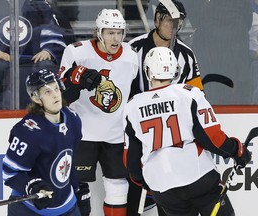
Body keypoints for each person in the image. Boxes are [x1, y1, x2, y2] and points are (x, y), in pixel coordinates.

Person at [123, 47, 252, 216]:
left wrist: (146, 181)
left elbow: (130, 159)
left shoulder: (132, 105)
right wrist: (236, 150)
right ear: (175, 70)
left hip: (162, 186)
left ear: (148, 71)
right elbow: (212, 138)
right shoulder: (189, 94)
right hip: (197, 177)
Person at [58, 8, 140, 216]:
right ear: (99, 32)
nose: (115, 38)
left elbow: (136, 97)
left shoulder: (131, 56)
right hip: (83, 134)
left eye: (119, 32)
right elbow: (61, 96)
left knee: (118, 189)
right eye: (110, 32)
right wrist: (77, 79)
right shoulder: (76, 52)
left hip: (116, 135)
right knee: (75, 186)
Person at [127, 1, 203, 215]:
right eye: (169, 19)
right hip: (144, 131)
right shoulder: (134, 48)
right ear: (157, 19)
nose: (174, 26)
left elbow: (197, 95)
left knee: (171, 190)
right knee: (135, 186)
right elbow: (124, 92)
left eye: (178, 21)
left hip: (173, 135)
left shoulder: (186, 55)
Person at [2, 68, 83, 216]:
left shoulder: (73, 119)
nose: (55, 95)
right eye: (47, 92)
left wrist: (77, 187)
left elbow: (69, 159)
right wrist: (33, 186)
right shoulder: (27, 131)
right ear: (36, 98)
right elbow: (9, 173)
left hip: (68, 206)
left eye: (56, 88)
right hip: (29, 210)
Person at [0, 0, 68, 109]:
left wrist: (48, 50)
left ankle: (45, 105)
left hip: (35, 57)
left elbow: (49, 25)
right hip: (4, 58)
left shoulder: (37, 3)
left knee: (45, 65)